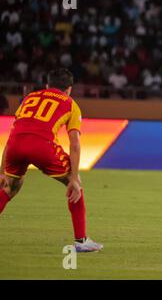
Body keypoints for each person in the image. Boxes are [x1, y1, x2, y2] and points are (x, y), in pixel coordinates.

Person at [0, 68, 103, 252]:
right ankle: (81, 241)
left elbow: (14, 132)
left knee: (8, 187)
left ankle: (82, 240)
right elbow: (75, 144)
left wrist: (1, 171)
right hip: (42, 147)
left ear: (47, 85)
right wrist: (73, 178)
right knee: (75, 183)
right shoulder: (71, 104)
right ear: (69, 89)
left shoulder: (29, 98)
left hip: (14, 145)